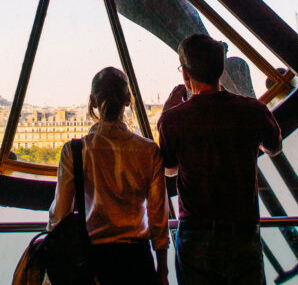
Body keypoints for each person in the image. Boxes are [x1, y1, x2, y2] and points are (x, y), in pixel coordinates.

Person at [157, 35, 282, 285]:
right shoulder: (252, 110)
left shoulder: (174, 119)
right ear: (221, 69)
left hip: (196, 233)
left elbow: (168, 169)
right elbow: (274, 146)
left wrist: (167, 112)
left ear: (185, 75)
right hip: (243, 232)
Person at [48, 67, 170, 284]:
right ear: (127, 100)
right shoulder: (149, 151)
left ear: (93, 102)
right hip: (137, 261)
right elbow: (158, 219)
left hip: (93, 260)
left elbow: (60, 216)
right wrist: (162, 270)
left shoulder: (75, 151)